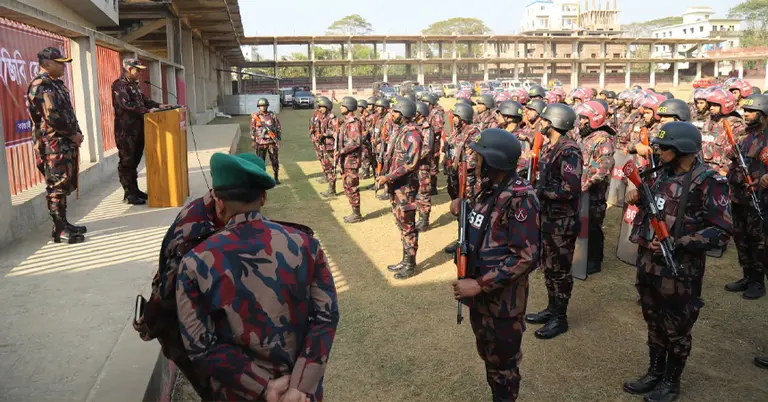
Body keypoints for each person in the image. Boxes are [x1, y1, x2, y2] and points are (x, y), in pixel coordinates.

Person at [176, 152, 340, 401]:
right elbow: (326, 318)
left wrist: (265, 387)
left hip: (238, 393)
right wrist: (299, 386)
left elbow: (200, 345)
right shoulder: (306, 244)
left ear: (218, 202)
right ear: (263, 197)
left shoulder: (194, 262)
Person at [133, 153, 265, 399]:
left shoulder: (219, 214)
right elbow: (168, 292)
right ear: (220, 200)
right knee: (216, 390)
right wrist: (151, 320)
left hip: (209, 318)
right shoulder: (195, 234)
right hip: (182, 328)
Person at [623, 122, 732, 402]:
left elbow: (721, 231)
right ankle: (655, 372)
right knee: (652, 318)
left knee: (677, 327)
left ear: (681, 148)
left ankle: (671, 382)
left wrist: (680, 243)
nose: (658, 151)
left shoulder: (708, 181)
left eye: (664, 147)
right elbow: (654, 203)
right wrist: (635, 196)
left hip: (680, 268)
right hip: (649, 262)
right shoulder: (659, 174)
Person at [451, 128, 540, 402]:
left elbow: (525, 257)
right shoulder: (488, 191)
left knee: (503, 367)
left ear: (494, 162)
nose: (476, 164)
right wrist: (462, 210)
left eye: (479, 159)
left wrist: (479, 284)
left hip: (502, 304)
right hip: (482, 300)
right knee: (490, 358)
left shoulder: (519, 198)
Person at [525, 104, 582, 340]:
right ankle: (551, 309)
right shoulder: (551, 148)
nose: (541, 123)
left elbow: (571, 189)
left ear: (554, 123)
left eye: (545, 120)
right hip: (548, 219)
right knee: (548, 267)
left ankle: (560, 317)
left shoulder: (569, 151)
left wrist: (541, 192)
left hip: (562, 223)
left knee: (559, 271)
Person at [26, 47, 86, 244]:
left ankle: (63, 223)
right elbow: (52, 117)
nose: (63, 67)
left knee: (63, 184)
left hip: (63, 142)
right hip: (51, 144)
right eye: (60, 63)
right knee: (56, 187)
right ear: (47, 64)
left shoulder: (56, 84)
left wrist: (76, 132)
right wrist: (72, 134)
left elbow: (67, 112)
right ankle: (59, 230)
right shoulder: (40, 86)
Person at [724, 94, 768, 299]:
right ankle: (747, 276)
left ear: (763, 114)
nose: (746, 115)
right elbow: (731, 154)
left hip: (760, 198)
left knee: (758, 240)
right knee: (741, 238)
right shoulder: (744, 134)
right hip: (739, 195)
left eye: (751, 112)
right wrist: (731, 153)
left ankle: (758, 282)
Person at [376, 98, 423, 279]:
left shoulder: (412, 135)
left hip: (406, 188)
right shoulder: (400, 131)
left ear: (404, 114)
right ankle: (405, 260)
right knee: (401, 225)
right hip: (396, 187)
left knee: (408, 227)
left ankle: (410, 265)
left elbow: (410, 164)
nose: (392, 114)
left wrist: (387, 177)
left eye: (395, 112)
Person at [112, 58, 169, 205]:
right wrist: (148, 111)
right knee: (127, 162)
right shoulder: (119, 85)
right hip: (126, 131)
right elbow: (126, 105)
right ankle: (129, 194)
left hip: (139, 129)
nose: (140, 74)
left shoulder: (134, 86)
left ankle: (135, 190)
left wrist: (159, 106)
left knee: (135, 160)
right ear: (128, 69)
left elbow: (144, 101)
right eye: (137, 70)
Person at [574, 101, 615, 274]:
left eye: (584, 118)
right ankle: (582, 257)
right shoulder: (584, 136)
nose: (580, 122)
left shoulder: (603, 139)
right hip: (581, 192)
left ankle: (594, 261)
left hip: (594, 194)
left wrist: (588, 182)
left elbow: (605, 168)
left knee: (593, 226)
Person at [444, 102, 480, 254]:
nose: (454, 119)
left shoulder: (473, 133)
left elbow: (472, 161)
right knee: (460, 210)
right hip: (455, 176)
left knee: (468, 209)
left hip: (467, 178)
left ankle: (470, 242)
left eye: (457, 116)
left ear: (463, 117)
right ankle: (461, 238)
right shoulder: (457, 131)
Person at [332, 97, 365, 223]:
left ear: (349, 107)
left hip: (351, 161)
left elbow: (356, 142)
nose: (340, 107)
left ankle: (357, 214)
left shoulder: (353, 123)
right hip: (346, 160)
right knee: (347, 185)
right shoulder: (346, 122)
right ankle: (354, 212)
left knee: (352, 186)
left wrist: (341, 151)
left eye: (343, 105)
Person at [703, 88, 746, 176]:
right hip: (705, 171)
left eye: (715, 105)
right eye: (710, 105)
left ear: (726, 105)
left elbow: (738, 152)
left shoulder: (735, 124)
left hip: (724, 173)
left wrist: (726, 170)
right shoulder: (708, 122)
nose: (711, 108)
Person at [250, 98, 282, 184]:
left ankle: (276, 178)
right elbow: (252, 129)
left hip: (271, 143)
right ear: (258, 107)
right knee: (260, 162)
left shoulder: (272, 115)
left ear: (267, 106)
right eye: (261, 106)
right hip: (260, 143)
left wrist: (278, 139)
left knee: (275, 161)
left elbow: (278, 127)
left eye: (264, 105)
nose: (263, 107)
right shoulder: (255, 117)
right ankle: (261, 179)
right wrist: (253, 140)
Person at [415, 102, 435, 232]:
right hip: (416, 166)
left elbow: (427, 148)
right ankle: (420, 218)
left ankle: (425, 221)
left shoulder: (427, 128)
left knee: (423, 194)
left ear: (420, 113)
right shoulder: (416, 126)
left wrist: (412, 156)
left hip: (423, 167)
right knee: (417, 193)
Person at [314, 97, 340, 193]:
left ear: (327, 107)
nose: (320, 109)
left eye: (322, 107)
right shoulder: (323, 117)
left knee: (331, 168)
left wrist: (324, 134)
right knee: (327, 167)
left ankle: (332, 190)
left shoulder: (332, 118)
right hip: (324, 146)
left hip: (330, 147)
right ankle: (331, 188)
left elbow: (336, 132)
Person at [372, 98, 395, 200]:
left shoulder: (388, 119)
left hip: (385, 148)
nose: (377, 108)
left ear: (385, 108)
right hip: (378, 147)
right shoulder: (379, 118)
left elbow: (389, 135)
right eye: (376, 106)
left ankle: (387, 191)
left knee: (387, 169)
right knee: (380, 168)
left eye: (380, 107)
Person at [425, 94, 444, 195]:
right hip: (427, 142)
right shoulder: (428, 112)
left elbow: (438, 128)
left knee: (433, 164)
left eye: (426, 102)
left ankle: (433, 187)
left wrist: (428, 131)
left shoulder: (436, 113)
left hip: (434, 143)